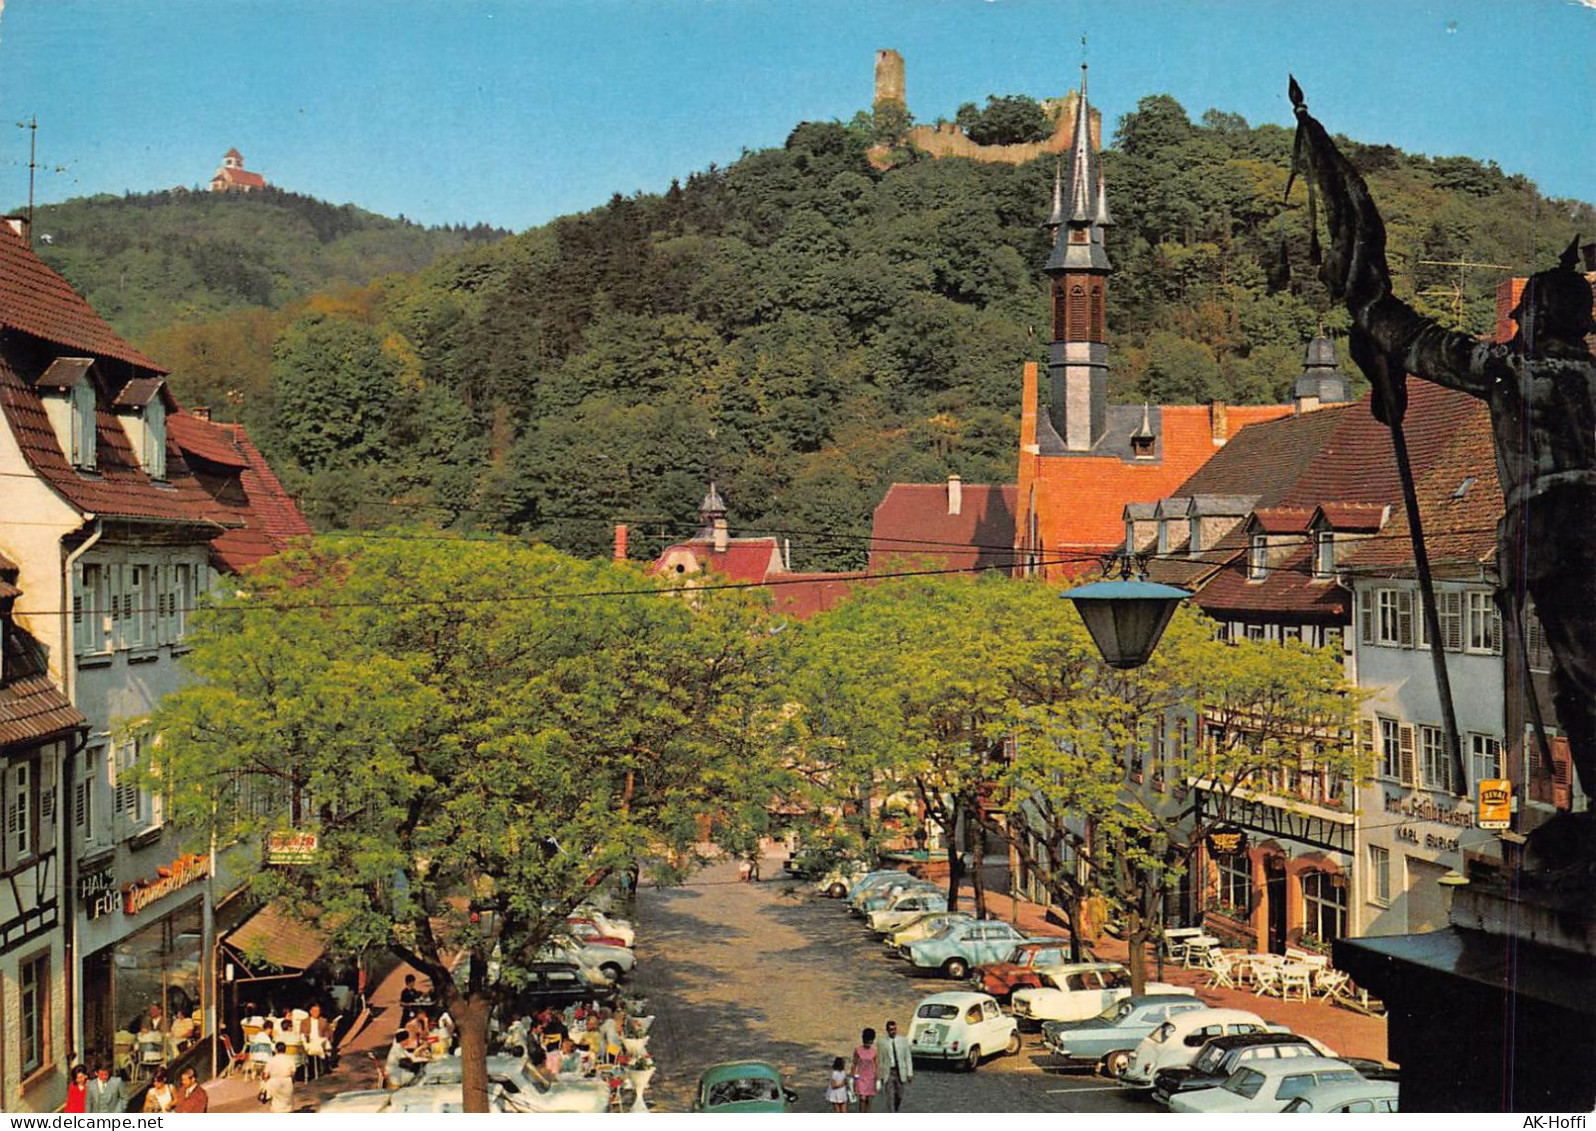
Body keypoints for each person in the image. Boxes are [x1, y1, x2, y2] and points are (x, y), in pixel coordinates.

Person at [1291, 87, 1596, 830]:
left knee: (1581, 684)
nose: (1516, 323)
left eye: (1525, 314)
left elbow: (1433, 347)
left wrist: (1377, 312)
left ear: (1539, 319)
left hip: (1557, 533)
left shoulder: (1516, 373)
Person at [877, 1018, 914, 1112]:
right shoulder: (882, 1042)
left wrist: (909, 1073)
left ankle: (896, 1109)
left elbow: (907, 1057)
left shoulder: (903, 1040)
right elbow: (880, 1059)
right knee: (889, 1096)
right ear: (887, 1030)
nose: (893, 1031)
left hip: (900, 1071)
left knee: (899, 1094)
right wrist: (880, 1075)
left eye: (894, 1029)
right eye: (891, 1030)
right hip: (889, 1071)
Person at [850, 1027, 879, 1113]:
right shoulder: (858, 1050)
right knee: (862, 1099)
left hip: (871, 1078)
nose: (869, 1043)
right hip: (861, 1077)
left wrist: (878, 1079)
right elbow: (854, 1063)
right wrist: (852, 1077)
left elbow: (877, 1065)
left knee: (869, 1099)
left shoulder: (874, 1051)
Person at [263, 1040, 297, 1113]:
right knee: (287, 1104)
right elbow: (293, 1073)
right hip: (287, 1081)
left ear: (276, 1050)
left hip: (274, 1081)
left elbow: (266, 1075)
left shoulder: (271, 1060)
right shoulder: (290, 1059)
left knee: (275, 1104)